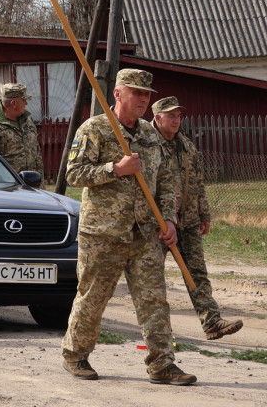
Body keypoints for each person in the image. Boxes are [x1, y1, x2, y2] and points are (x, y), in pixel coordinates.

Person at [61, 69, 195, 386]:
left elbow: (164, 183)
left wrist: (170, 221)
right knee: (93, 297)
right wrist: (115, 169)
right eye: (137, 93)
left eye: (146, 95)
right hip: (103, 232)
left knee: (154, 300)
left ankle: (162, 364)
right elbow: (73, 174)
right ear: (118, 94)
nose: (143, 100)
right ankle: (75, 354)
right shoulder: (94, 129)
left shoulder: (151, 135)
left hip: (145, 233)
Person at [152, 96, 244, 342]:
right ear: (157, 117)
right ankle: (156, 333)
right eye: (171, 115)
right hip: (156, 223)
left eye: (179, 115)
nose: (176, 120)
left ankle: (212, 323)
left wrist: (204, 214)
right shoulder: (147, 144)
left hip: (188, 220)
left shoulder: (187, 147)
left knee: (197, 272)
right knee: (151, 276)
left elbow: (198, 183)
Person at [0, 83, 43, 175]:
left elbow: (37, 157)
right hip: (8, 187)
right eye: (24, 100)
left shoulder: (27, 122)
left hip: (32, 185)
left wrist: (40, 183)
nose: (26, 103)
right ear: (13, 103)